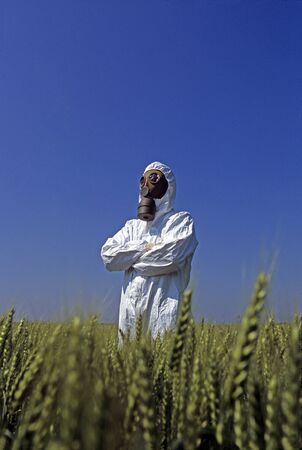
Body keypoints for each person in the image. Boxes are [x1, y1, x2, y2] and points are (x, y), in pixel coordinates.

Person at [100, 161, 198, 347]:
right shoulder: (132, 227)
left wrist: (130, 259)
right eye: (143, 180)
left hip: (164, 312)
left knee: (164, 366)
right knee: (129, 369)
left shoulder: (181, 221)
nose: (146, 185)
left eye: (153, 178)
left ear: (167, 186)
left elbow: (171, 258)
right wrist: (147, 247)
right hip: (130, 316)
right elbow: (109, 257)